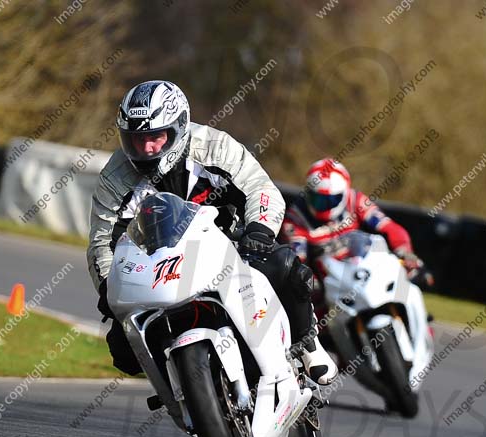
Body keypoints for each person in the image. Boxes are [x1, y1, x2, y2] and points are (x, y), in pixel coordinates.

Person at [86, 80, 337, 385]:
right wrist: (107, 285)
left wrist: (258, 231)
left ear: (178, 128)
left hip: (229, 246)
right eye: (136, 140)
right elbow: (103, 240)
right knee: (122, 347)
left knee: (284, 266)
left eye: (155, 137)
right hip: (158, 265)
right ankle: (182, 389)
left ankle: (307, 342)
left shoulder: (215, 146)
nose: (147, 148)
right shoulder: (116, 177)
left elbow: (260, 188)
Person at [280, 158, 434, 310]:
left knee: (408, 284)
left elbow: (389, 228)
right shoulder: (295, 219)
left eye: (332, 200)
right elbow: (298, 262)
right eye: (317, 199)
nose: (323, 206)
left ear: (344, 193)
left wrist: (406, 254)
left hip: (366, 268)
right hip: (331, 285)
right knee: (313, 318)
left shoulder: (356, 200)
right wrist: (313, 287)